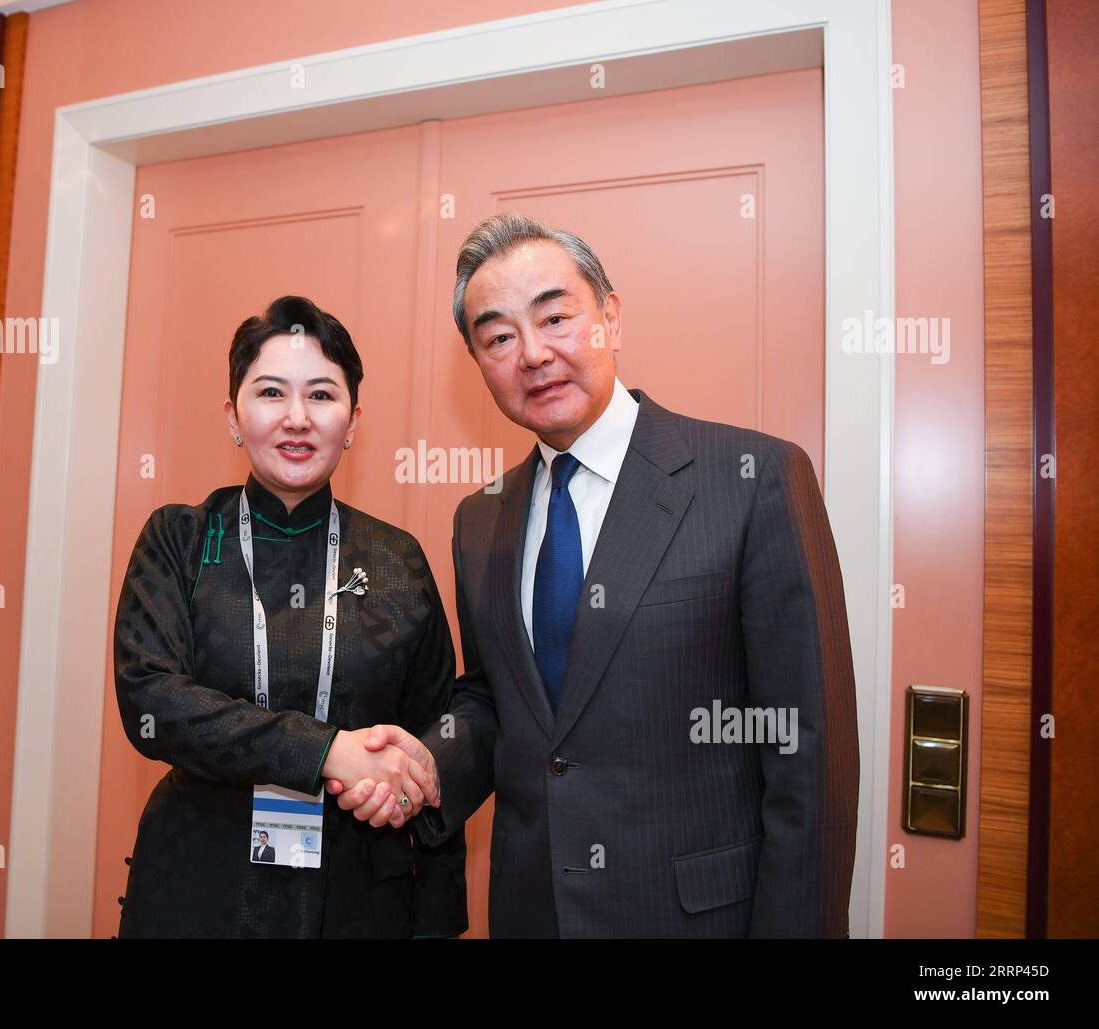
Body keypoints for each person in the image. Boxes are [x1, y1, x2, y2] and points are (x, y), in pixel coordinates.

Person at [328, 213, 860, 938]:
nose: (534, 354)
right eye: (499, 337)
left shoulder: (754, 480)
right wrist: (426, 764)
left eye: (556, 317)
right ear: (477, 360)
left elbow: (809, 755)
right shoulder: (479, 520)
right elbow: (498, 700)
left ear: (610, 316)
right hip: (533, 912)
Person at [115, 294, 466, 938]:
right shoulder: (179, 539)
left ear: (353, 420)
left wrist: (439, 918)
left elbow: (434, 738)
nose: (297, 419)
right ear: (234, 415)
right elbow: (153, 700)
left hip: (362, 897)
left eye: (323, 396)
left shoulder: (395, 559)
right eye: (272, 393)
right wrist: (329, 751)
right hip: (200, 889)